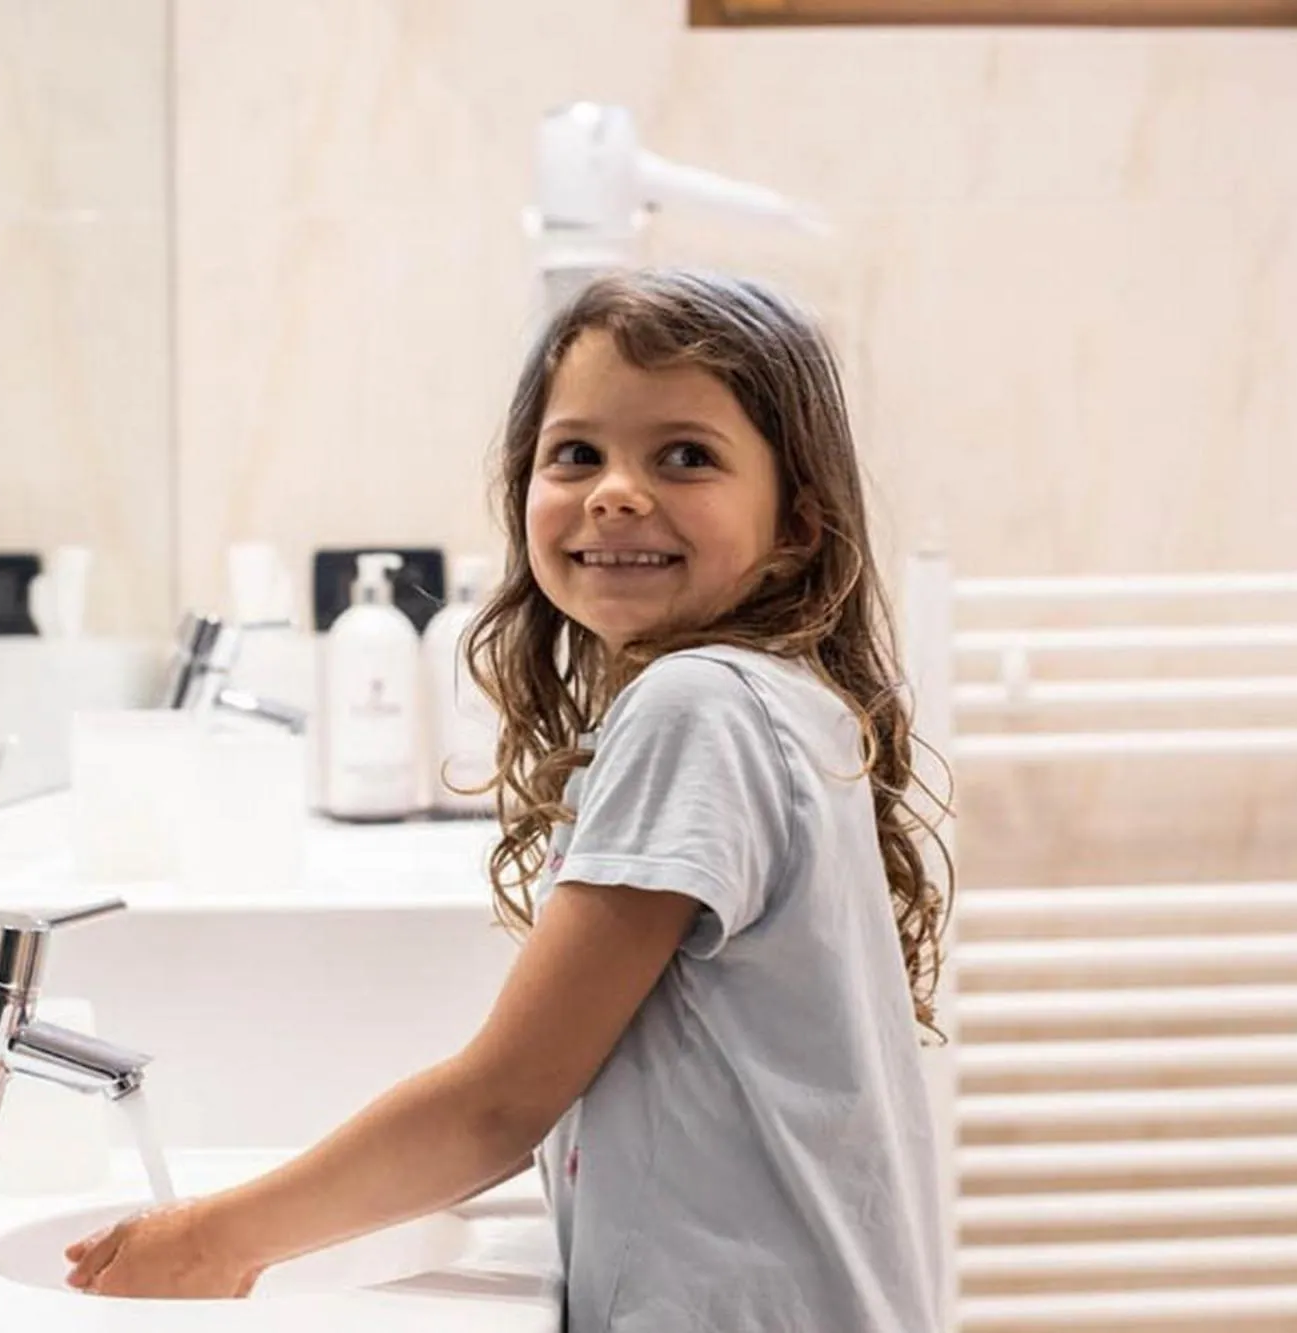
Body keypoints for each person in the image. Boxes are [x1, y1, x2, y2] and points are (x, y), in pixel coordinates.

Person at [63, 268, 953, 1332]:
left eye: (684, 455)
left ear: (797, 525)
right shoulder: (780, 702)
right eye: (576, 453)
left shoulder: (695, 709)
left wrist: (214, 1240)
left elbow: (497, 1104)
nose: (616, 490)